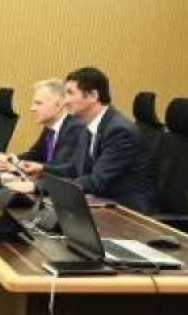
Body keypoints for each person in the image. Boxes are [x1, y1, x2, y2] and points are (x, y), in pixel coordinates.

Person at [24, 66, 156, 212]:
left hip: (128, 212)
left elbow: (96, 182)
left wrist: (38, 187)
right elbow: (73, 169)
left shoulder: (119, 131)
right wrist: (42, 169)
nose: (65, 101)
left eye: (70, 93)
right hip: (102, 202)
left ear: (93, 96)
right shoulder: (89, 125)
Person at [1, 78, 85, 176]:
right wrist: (13, 159)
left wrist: (19, 166)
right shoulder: (50, 127)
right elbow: (35, 154)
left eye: (38, 103)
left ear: (59, 105)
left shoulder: (75, 129)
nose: (32, 108)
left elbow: (58, 167)